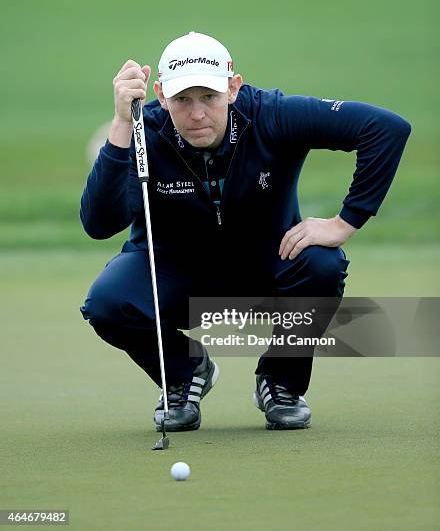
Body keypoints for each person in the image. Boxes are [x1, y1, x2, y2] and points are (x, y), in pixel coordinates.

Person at [80, 31, 411, 432]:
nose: (197, 114)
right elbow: (99, 225)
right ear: (162, 95)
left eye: (210, 97)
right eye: (183, 100)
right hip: (172, 271)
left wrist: (345, 222)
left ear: (233, 88)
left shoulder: (270, 115)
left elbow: (386, 128)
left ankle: (280, 383)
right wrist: (120, 123)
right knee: (107, 302)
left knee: (322, 264)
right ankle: (184, 373)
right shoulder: (144, 131)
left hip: (266, 266)